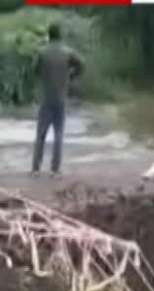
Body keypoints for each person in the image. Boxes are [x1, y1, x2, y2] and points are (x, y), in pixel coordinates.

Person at [31, 23, 84, 178]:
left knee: (41, 133)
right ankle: (55, 170)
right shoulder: (68, 52)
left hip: (46, 97)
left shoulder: (42, 52)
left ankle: (36, 168)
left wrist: (44, 76)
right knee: (58, 134)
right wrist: (70, 76)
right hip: (61, 97)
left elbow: (35, 70)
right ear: (60, 35)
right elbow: (82, 65)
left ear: (49, 35)